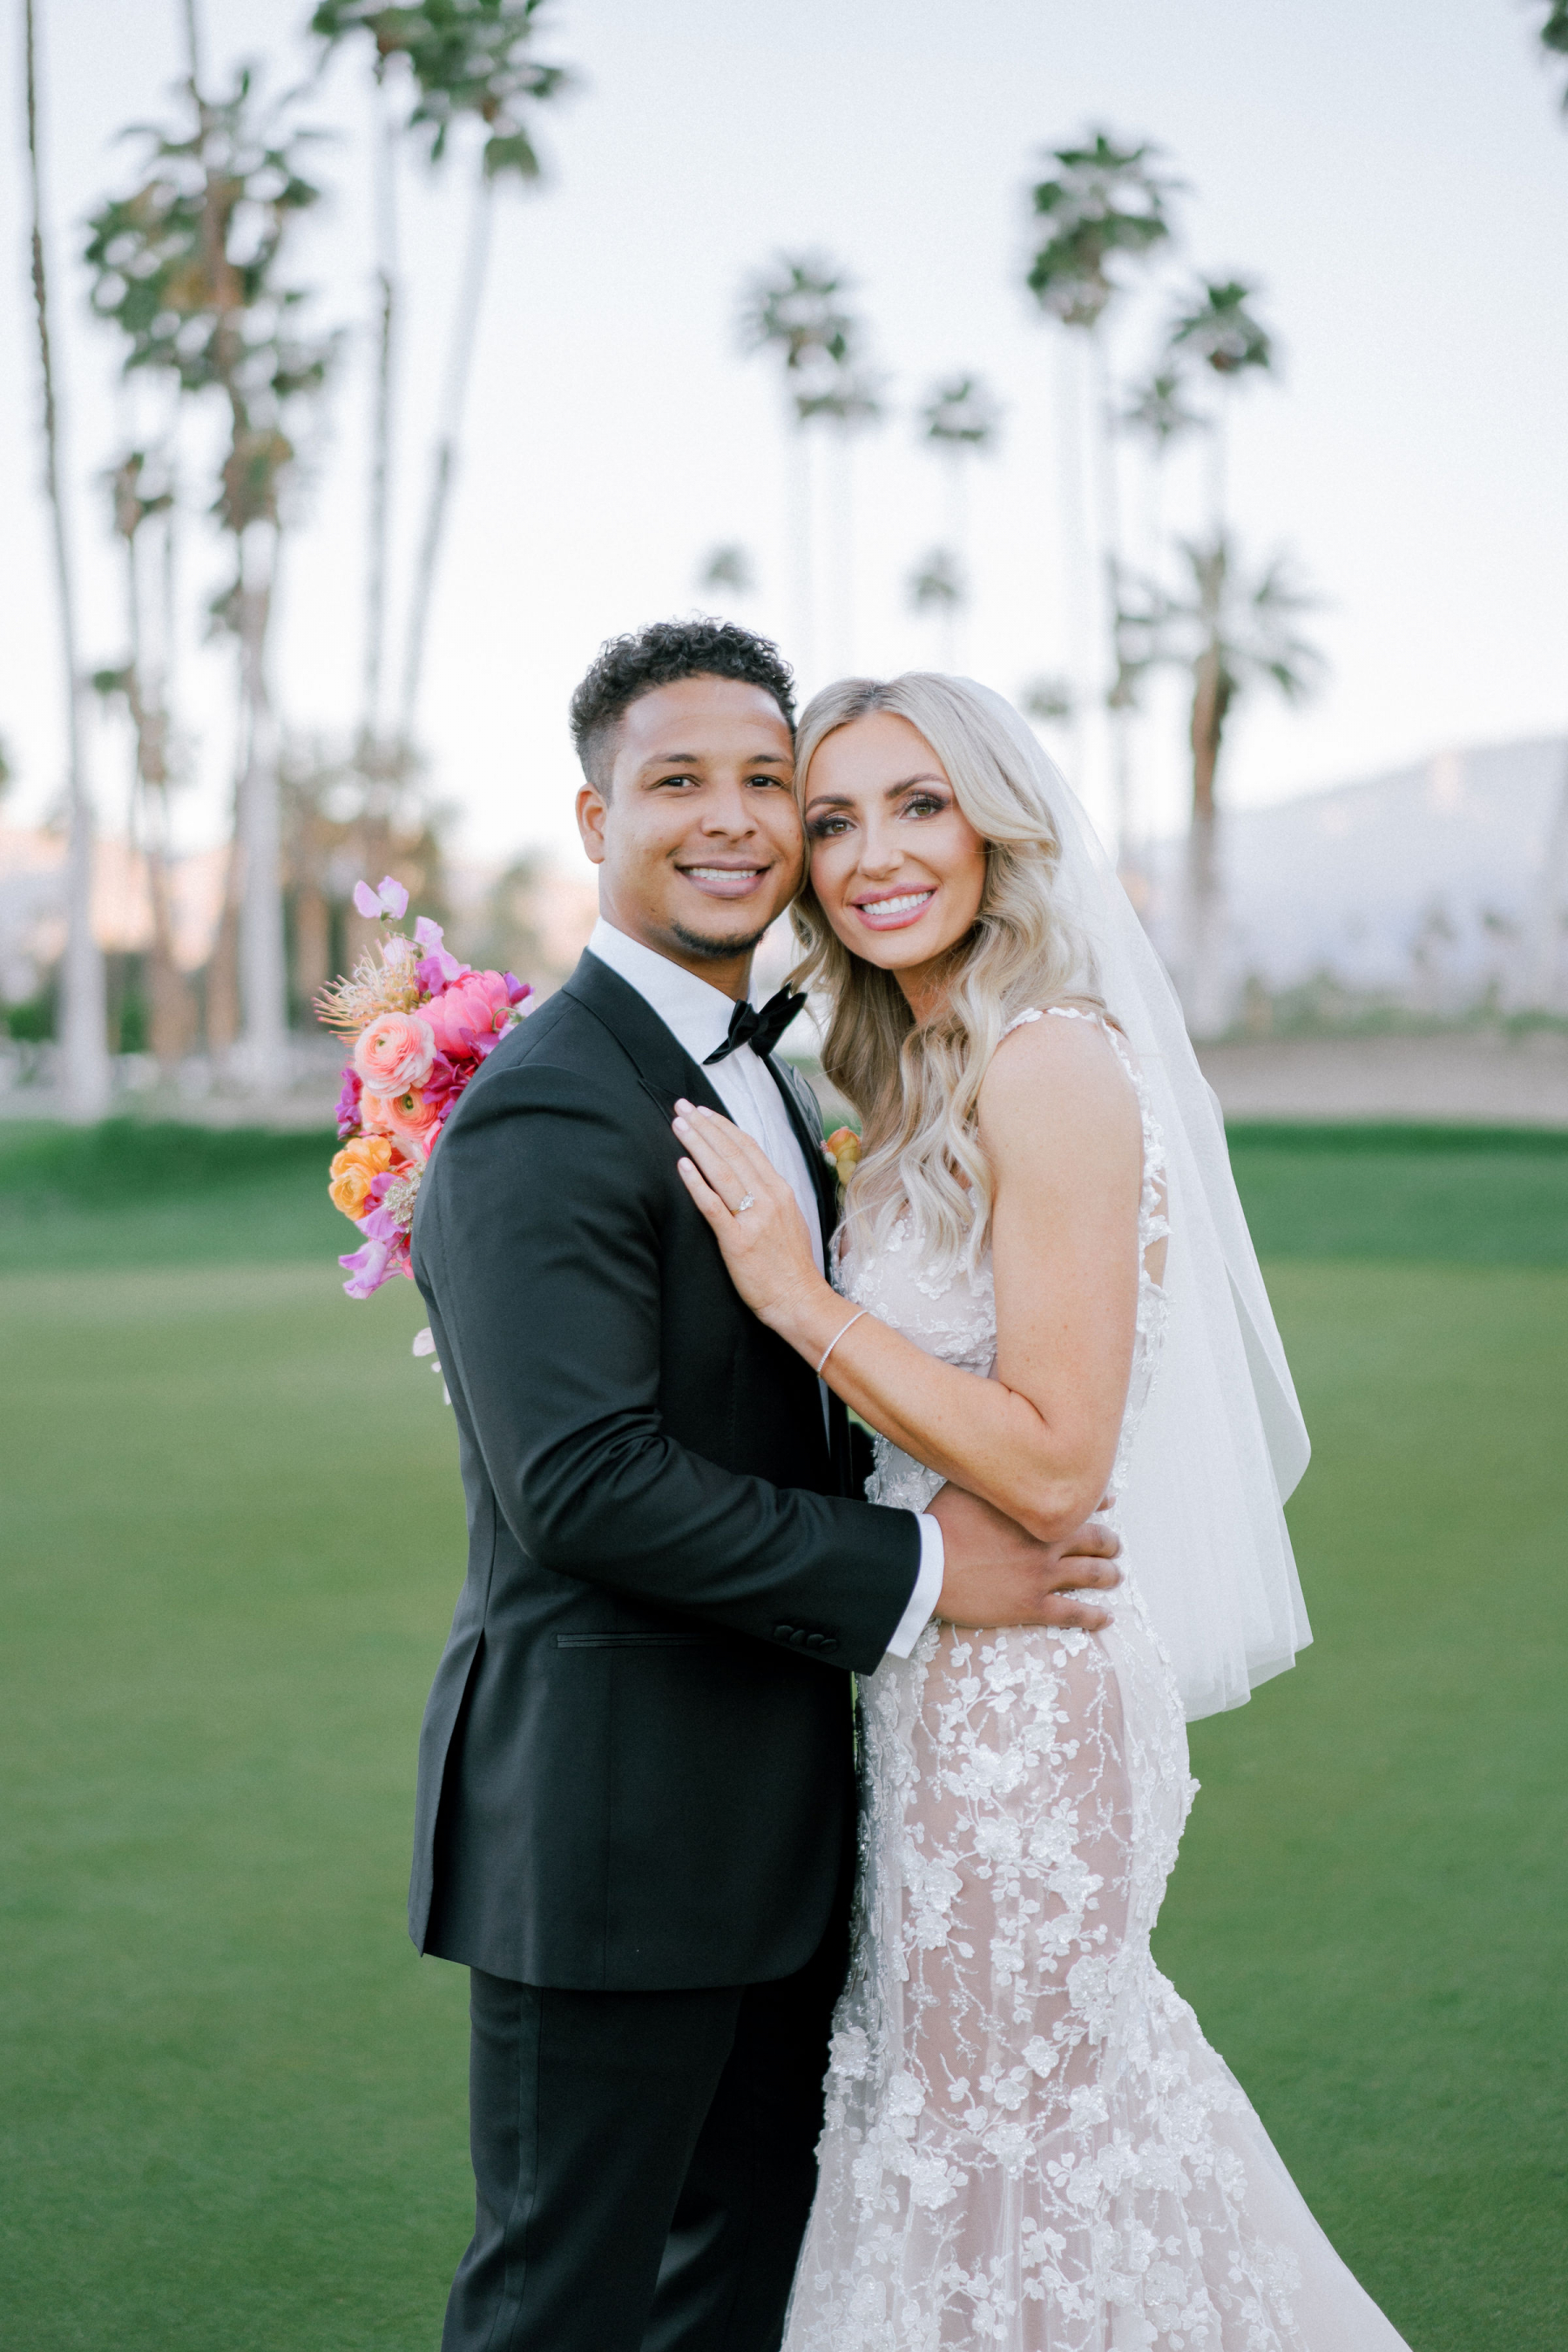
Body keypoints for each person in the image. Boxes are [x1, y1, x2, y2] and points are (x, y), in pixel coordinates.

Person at [672, 672, 1416, 2349]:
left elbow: (1062, 1458)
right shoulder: (928, 1065)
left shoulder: (1050, 1062)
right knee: (957, 2128)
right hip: (941, 1676)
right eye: (839, 816)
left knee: (1021, 2138)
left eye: (918, 805)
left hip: (1032, 1701)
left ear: (999, 824)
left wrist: (803, 1301)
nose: (871, 855)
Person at [407, 620, 1125, 2352]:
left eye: (765, 787)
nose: (732, 822)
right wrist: (926, 1573)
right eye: (678, 784)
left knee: (740, 2290)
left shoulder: (779, 1085)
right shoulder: (550, 1107)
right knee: (566, 2300)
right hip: (612, 1828)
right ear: (594, 820)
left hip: (795, 1822)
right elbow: (585, 1485)